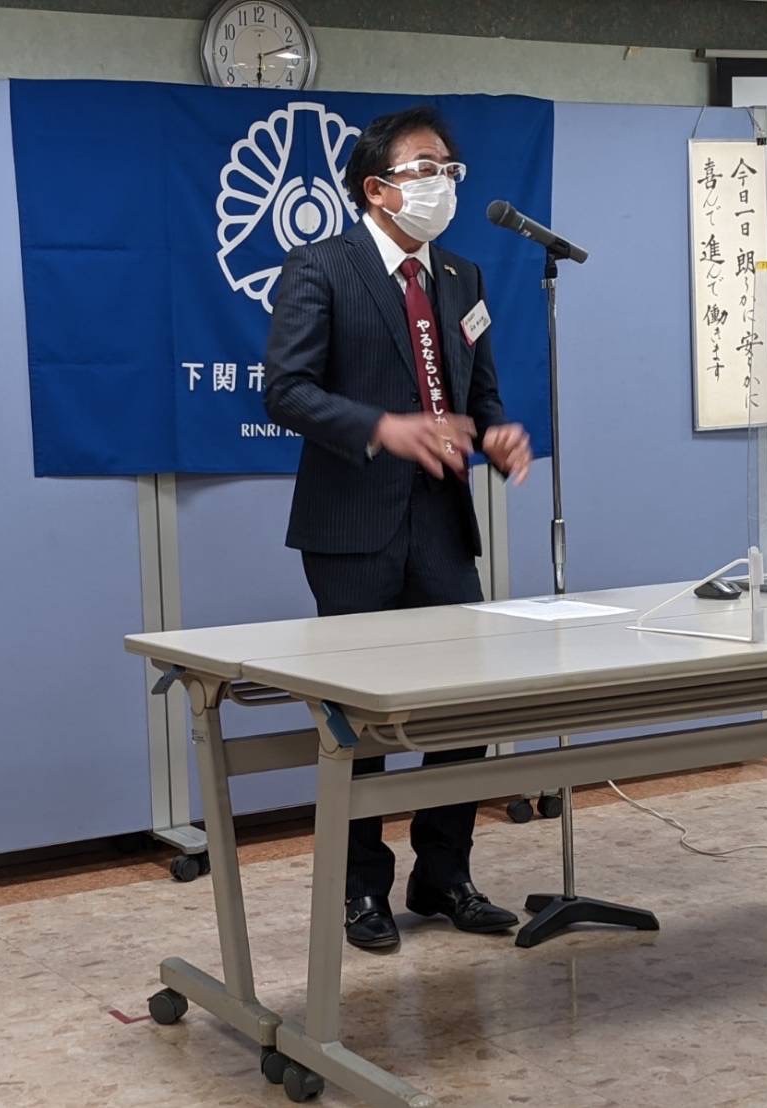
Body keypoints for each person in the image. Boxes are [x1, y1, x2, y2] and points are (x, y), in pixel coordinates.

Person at [264, 105, 532, 952]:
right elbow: (285, 390)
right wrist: (382, 428)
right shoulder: (321, 266)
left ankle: (442, 874)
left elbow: (479, 393)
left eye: (449, 169)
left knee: (459, 710)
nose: (441, 183)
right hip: (351, 524)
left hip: (442, 521)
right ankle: (360, 890)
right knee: (363, 716)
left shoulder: (461, 277)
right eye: (424, 169)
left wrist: (496, 435)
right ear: (376, 188)